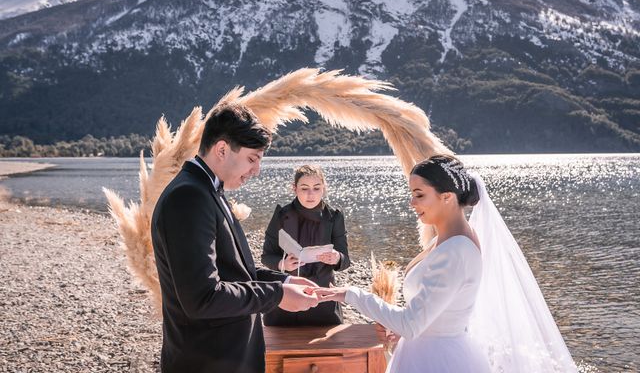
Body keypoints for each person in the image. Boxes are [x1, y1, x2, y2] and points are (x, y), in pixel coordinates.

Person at [316, 155, 577, 373]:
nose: (412, 203)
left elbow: (411, 323)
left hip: (440, 361)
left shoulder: (457, 250)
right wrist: (402, 332)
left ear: (447, 197)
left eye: (419, 195)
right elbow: (428, 316)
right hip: (426, 351)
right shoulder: (446, 240)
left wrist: (350, 294)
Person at [151, 103, 320, 373]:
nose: (256, 171)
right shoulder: (189, 198)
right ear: (222, 149)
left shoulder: (206, 191)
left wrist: (284, 280)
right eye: (253, 159)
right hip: (206, 363)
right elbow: (203, 298)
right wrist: (277, 295)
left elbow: (234, 273)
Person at [261, 165, 351, 326]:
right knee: (281, 345)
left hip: (322, 296)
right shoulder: (282, 214)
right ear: (294, 189)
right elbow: (267, 256)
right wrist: (283, 264)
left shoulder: (335, 216)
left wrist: (337, 258)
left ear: (323, 188)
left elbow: (345, 261)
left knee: (326, 348)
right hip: (287, 296)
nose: (311, 194)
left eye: (316, 188)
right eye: (304, 188)